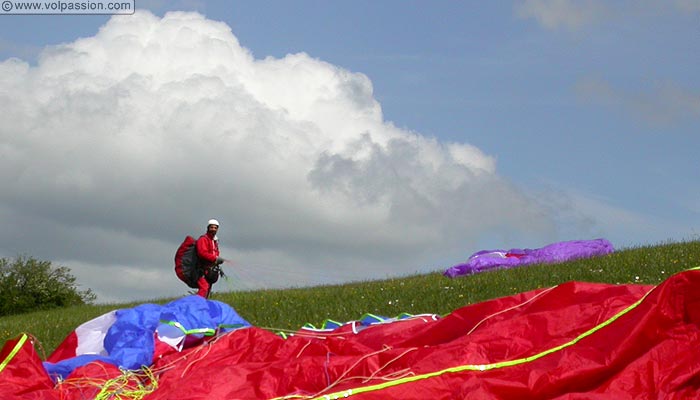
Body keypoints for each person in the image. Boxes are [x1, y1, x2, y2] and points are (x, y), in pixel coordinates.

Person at [195, 219, 225, 298]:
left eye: (215, 228)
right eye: (211, 227)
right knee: (204, 288)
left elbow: (215, 253)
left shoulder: (214, 241)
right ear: (208, 228)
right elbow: (202, 253)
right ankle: (197, 306)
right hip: (201, 269)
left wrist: (217, 261)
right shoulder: (203, 239)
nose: (213, 229)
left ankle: (202, 306)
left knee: (207, 289)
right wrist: (215, 258)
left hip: (210, 270)